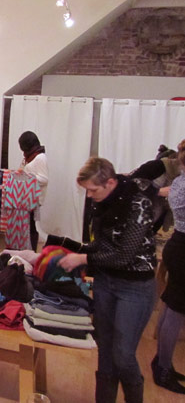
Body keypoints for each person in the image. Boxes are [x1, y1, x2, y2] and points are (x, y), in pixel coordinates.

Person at [58, 157, 156, 403]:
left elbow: (124, 255)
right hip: (106, 282)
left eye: (93, 190)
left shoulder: (139, 203)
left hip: (135, 287)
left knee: (123, 354)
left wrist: (82, 259)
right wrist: (66, 247)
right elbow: (101, 244)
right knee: (105, 351)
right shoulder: (102, 203)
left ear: (110, 182)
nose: (89, 196)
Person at [152, 139, 185, 394]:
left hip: (178, 245)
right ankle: (163, 367)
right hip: (183, 249)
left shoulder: (179, 182)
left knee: (171, 303)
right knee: (176, 308)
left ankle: (162, 361)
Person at [18, 131, 48, 251]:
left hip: (33, 198)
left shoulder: (40, 158)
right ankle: (27, 248)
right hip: (27, 197)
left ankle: (31, 250)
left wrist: (27, 175)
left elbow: (44, 179)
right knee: (27, 225)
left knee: (30, 226)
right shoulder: (30, 156)